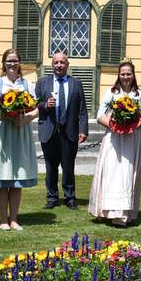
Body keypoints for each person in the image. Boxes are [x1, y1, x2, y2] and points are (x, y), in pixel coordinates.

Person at [0, 49, 38, 231]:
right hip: (2, 133)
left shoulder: (27, 84)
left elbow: (36, 108)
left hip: (20, 132)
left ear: (19, 63)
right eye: (9, 61)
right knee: (2, 177)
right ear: (3, 63)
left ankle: (14, 219)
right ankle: (3, 219)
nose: (12, 64)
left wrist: (27, 118)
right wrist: (2, 114)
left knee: (17, 178)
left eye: (15, 61)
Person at [88, 61, 141, 225]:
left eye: (128, 73)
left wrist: (133, 125)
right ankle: (105, 210)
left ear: (133, 75)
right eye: (123, 74)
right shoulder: (111, 93)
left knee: (126, 173)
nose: (125, 77)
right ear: (118, 75)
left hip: (132, 138)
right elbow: (100, 115)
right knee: (111, 173)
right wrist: (115, 126)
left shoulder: (140, 95)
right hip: (113, 138)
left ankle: (122, 214)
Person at [35, 52, 88, 210]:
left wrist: (83, 130)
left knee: (68, 167)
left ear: (67, 65)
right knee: (50, 167)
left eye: (62, 62)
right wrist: (45, 105)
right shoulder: (42, 82)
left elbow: (82, 109)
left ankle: (70, 198)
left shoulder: (76, 83)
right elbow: (34, 105)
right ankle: (52, 198)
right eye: (56, 62)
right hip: (49, 131)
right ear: (52, 65)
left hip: (69, 131)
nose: (59, 65)